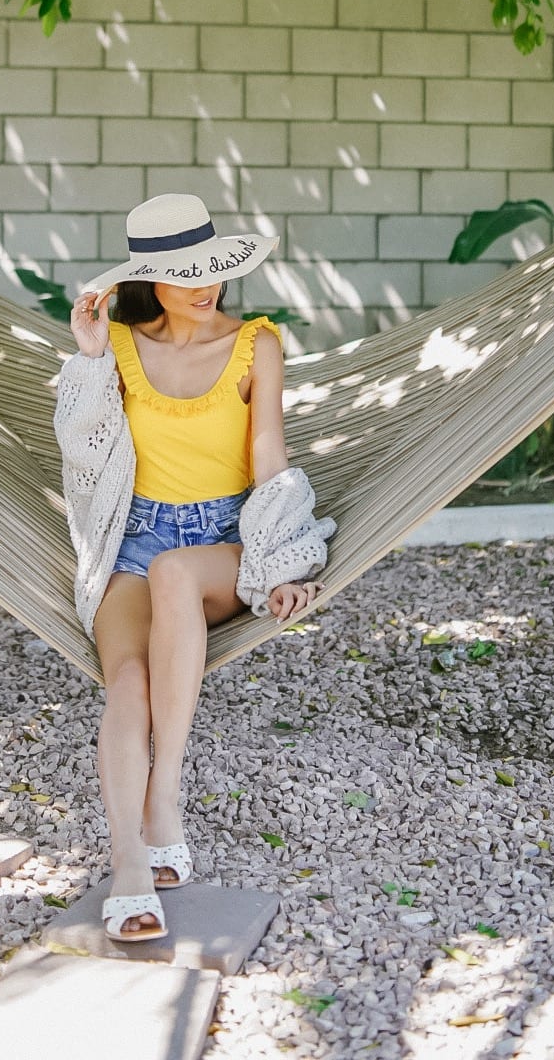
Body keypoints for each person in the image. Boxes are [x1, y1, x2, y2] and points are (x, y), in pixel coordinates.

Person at [53, 193, 336, 943]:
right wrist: (87, 353)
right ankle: (129, 868)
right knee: (128, 682)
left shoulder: (257, 344)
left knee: (180, 571)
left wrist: (278, 561)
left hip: (222, 544)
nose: (204, 286)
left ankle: (164, 798)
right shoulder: (115, 347)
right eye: (184, 275)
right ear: (150, 279)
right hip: (130, 542)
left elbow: (268, 459)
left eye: (211, 269)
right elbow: (80, 450)